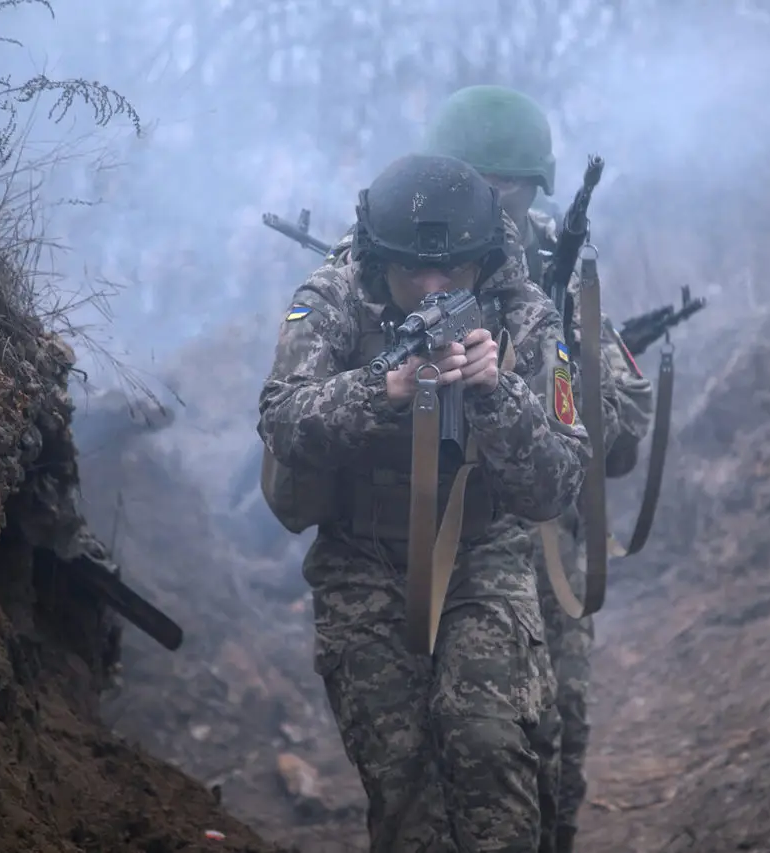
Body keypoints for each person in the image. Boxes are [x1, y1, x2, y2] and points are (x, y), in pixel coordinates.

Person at [257, 152, 591, 853]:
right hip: (361, 561)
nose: (434, 288)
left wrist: (497, 392)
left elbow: (558, 482)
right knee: (405, 782)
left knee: (491, 744)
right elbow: (284, 421)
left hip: (482, 553)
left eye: (453, 273)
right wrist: (383, 389)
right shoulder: (331, 298)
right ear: (383, 260)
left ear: (483, 261)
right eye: (415, 273)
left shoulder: (526, 316)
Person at [422, 85, 655, 853]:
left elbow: (620, 439)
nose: (489, 202)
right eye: (474, 183)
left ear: (532, 189)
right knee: (457, 763)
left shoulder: (559, 267)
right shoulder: (415, 258)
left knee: (558, 745)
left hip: (550, 548)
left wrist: (561, 370)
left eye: (505, 187)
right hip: (453, 550)